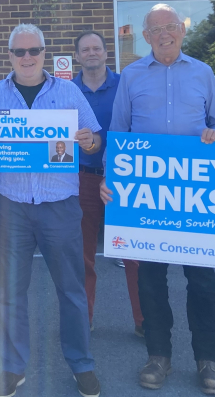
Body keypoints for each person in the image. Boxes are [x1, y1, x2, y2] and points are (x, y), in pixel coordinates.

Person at [100, 4, 215, 395]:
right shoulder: (132, 76)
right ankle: (158, 355)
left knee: (203, 281)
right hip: (147, 197)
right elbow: (118, 131)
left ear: (182, 31)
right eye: (156, 29)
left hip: (194, 198)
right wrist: (109, 175)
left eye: (171, 26)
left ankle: (208, 359)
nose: (165, 34)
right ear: (146, 37)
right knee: (151, 280)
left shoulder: (202, 73)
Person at [0, 24, 102, 397]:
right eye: (19, 52)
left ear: (45, 53)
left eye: (34, 50)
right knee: (10, 291)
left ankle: (81, 364)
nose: (27, 57)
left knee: (71, 290)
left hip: (59, 204)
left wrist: (90, 141)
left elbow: (94, 139)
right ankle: (12, 368)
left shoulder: (69, 92)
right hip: (12, 204)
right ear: (8, 55)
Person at [71, 30, 144, 336]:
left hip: (124, 179)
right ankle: (83, 318)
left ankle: (144, 322)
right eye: (85, 49)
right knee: (83, 255)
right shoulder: (65, 90)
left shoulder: (125, 85)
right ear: (77, 56)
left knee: (135, 255)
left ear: (105, 53)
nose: (91, 53)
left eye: (96, 48)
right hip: (82, 178)